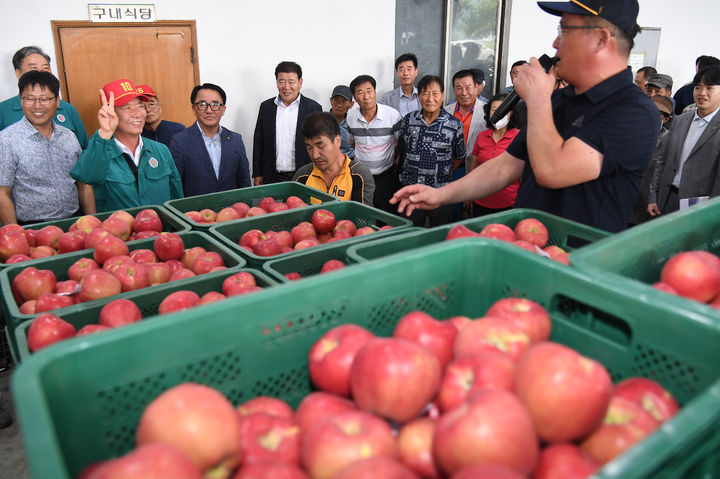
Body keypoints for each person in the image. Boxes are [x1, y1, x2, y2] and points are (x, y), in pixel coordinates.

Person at [391, 0, 659, 234]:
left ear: (601, 39)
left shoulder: (634, 111)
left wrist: (538, 98)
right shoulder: (559, 102)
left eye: (564, 30)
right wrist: (441, 194)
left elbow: (553, 170)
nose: (555, 43)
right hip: (528, 244)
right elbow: (506, 166)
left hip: (576, 262)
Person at [70, 78, 183, 212]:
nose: (137, 114)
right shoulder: (99, 151)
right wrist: (104, 133)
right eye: (127, 107)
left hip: (162, 230)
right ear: (111, 113)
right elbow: (87, 177)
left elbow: (176, 197)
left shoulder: (161, 150)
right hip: (118, 231)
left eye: (140, 106)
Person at [0, 71, 95, 225]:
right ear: (21, 100)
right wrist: (14, 234)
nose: (37, 106)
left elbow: (83, 184)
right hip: (32, 227)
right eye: (30, 99)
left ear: (57, 101)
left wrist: (93, 223)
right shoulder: (6, 140)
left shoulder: (69, 136)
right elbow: (2, 193)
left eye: (44, 99)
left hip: (75, 222)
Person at [648, 65, 720, 217]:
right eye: (698, 88)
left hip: (699, 205)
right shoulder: (680, 121)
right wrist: (653, 196)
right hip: (666, 197)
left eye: (709, 88)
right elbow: (662, 159)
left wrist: (711, 214)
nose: (702, 93)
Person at [397, 75, 466, 227]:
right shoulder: (408, 120)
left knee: (439, 236)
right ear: (419, 96)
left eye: (435, 93)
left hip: (441, 193)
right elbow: (403, 149)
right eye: (425, 93)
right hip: (411, 192)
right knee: (409, 234)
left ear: (442, 96)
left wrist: (442, 173)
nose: (430, 98)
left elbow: (459, 156)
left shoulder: (454, 125)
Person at [169, 83, 250, 197]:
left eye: (215, 104)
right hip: (194, 211)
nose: (209, 110)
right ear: (194, 108)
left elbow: (244, 181)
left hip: (231, 210)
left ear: (223, 109)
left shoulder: (235, 140)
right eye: (202, 104)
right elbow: (175, 186)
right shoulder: (179, 142)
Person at [0, 46, 88, 149]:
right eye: (33, 69)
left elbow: (84, 149)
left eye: (45, 68)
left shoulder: (67, 108)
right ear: (18, 73)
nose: (40, 73)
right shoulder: (3, 111)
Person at [252, 61, 322, 185]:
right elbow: (259, 141)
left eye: (291, 82)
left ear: (300, 83)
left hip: (305, 175)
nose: (286, 87)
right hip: (271, 176)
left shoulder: (313, 108)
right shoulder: (266, 107)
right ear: (277, 82)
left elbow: (319, 144)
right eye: (282, 81)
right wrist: (257, 173)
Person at [346, 75, 402, 213]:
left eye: (369, 91)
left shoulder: (392, 115)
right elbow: (353, 142)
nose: (366, 96)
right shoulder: (351, 117)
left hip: (385, 176)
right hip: (361, 176)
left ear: (375, 93)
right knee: (363, 213)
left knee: (386, 214)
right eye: (360, 92)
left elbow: (400, 144)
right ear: (355, 97)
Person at [293, 112, 374, 205]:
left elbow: (363, 217)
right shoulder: (302, 176)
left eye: (320, 146)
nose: (315, 155)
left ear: (337, 141)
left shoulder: (359, 175)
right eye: (309, 148)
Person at [469, 93, 521, 217]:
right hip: (481, 201)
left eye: (503, 109)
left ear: (511, 113)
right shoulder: (482, 136)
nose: (498, 113)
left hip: (509, 204)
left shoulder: (519, 137)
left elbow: (524, 173)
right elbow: (473, 167)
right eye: (494, 109)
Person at [629, 95, 673, 225]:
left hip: (647, 202)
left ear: (666, 119)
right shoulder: (630, 134)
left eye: (658, 115)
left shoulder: (669, 141)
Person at [328, 85, 355, 159]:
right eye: (336, 100)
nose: (339, 105)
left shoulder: (354, 123)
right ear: (331, 100)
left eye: (344, 101)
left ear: (351, 104)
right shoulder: (322, 121)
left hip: (350, 162)